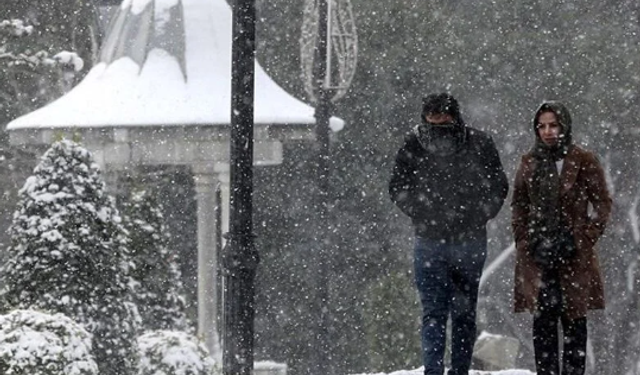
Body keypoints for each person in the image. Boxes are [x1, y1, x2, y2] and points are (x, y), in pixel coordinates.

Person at [389, 93, 508, 375]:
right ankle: (437, 370)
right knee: (439, 312)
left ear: (454, 117)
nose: (438, 131)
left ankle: (457, 370)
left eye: (443, 123)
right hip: (434, 239)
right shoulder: (415, 143)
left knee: (457, 314)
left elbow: (497, 186)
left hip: (464, 240)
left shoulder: (478, 143)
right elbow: (397, 186)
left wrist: (476, 215)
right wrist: (424, 212)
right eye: (433, 124)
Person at [511, 101, 612, 375]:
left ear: (564, 126)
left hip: (573, 255)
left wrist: (584, 238)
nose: (547, 131)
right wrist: (525, 240)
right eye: (542, 126)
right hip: (538, 254)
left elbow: (603, 203)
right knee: (543, 324)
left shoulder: (583, 160)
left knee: (574, 324)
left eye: (553, 125)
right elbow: (519, 204)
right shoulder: (529, 162)